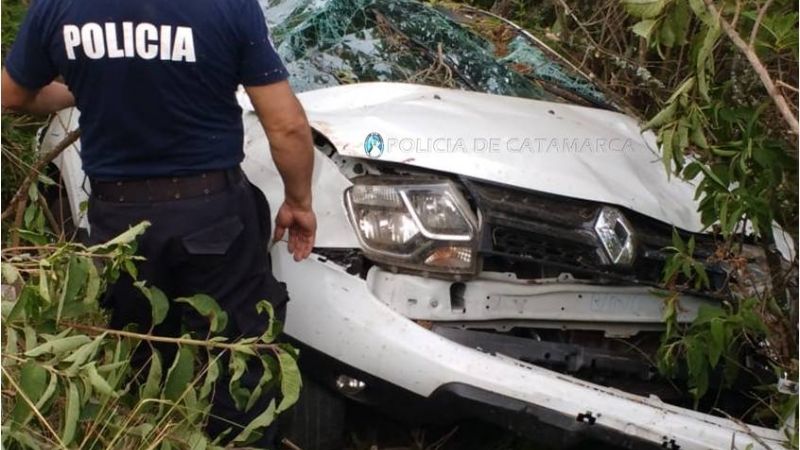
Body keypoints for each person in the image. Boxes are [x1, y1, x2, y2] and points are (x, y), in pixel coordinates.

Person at [2, 0, 317, 446]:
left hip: (120, 225)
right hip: (212, 213)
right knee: (239, 359)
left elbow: (11, 96)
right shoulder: (228, 6)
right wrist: (299, 201)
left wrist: (88, 85)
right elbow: (286, 127)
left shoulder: (57, 7)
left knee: (139, 356)